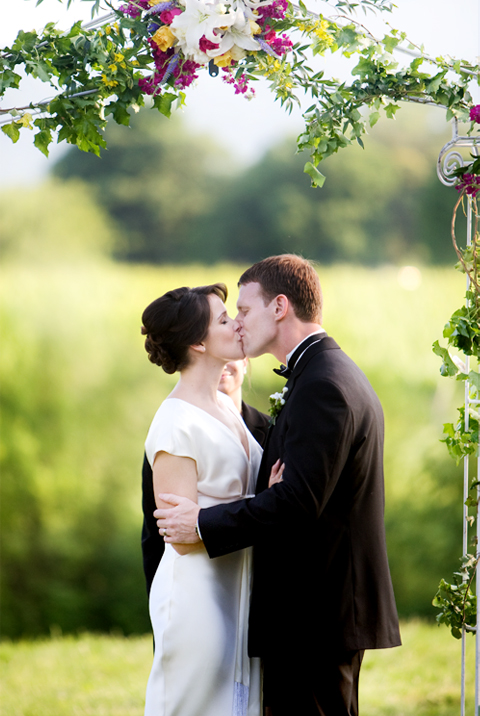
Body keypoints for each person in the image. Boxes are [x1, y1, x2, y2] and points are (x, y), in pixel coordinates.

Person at [155, 255, 401, 716]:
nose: (239, 324)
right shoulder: (321, 374)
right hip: (316, 609)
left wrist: (202, 523)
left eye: (244, 311)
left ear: (280, 306)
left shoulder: (322, 385)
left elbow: (297, 501)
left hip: (317, 612)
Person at [140, 282, 282, 716]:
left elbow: (206, 515)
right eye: (224, 320)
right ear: (198, 343)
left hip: (240, 588)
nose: (237, 323)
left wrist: (271, 498)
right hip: (198, 601)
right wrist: (264, 504)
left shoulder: (224, 407)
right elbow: (180, 536)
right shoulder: (174, 424)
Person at [141, 357, 269, 596]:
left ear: (246, 360)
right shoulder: (177, 431)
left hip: (251, 582)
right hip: (199, 583)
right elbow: (156, 528)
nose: (223, 364)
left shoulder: (270, 429)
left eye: (232, 357)